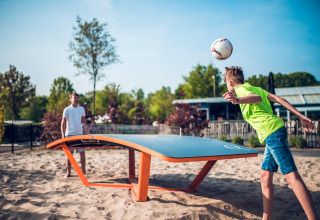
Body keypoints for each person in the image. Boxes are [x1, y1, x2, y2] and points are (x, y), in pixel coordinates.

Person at [222, 66, 318, 220]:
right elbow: (279, 99)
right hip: (274, 132)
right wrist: (300, 116)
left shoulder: (241, 91)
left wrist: (237, 100)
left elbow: (256, 98)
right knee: (265, 176)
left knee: (292, 177)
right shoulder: (255, 88)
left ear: (231, 82)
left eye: (227, 84)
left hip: (272, 132)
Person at [61, 93, 86, 178]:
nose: (76, 99)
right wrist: (63, 135)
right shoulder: (67, 110)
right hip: (70, 135)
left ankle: (84, 172)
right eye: (75, 97)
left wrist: (86, 134)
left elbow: (84, 122)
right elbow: (63, 123)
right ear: (70, 99)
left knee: (82, 153)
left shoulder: (81, 109)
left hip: (79, 134)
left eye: (77, 98)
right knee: (69, 155)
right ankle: (68, 173)